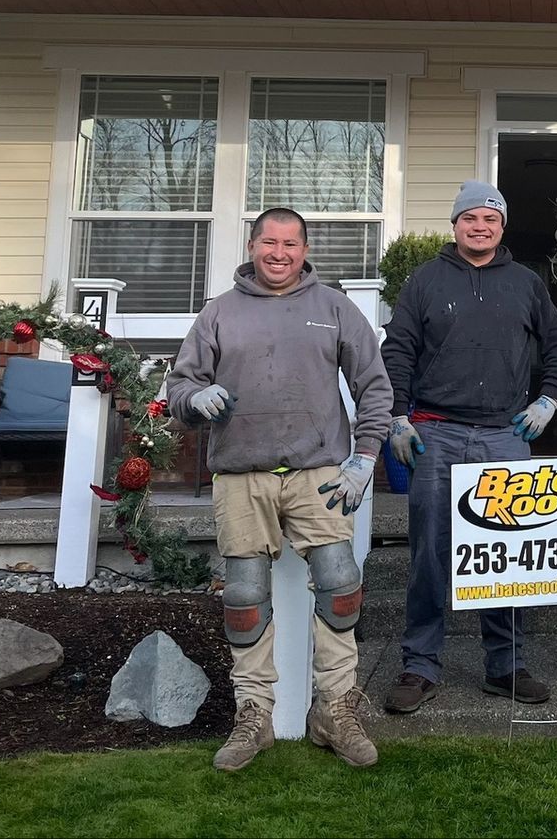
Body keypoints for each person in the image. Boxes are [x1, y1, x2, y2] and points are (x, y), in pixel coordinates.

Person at [167, 206, 393, 773]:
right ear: (252, 245)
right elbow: (179, 384)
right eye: (270, 242)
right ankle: (254, 715)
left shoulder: (334, 308)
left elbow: (374, 386)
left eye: (291, 244)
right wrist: (194, 400)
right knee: (244, 597)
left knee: (341, 584)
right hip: (241, 476)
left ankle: (334, 710)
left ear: (305, 249)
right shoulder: (219, 313)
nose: (279, 253)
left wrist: (364, 459)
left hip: (318, 474)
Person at [378, 180, 557, 712]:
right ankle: (419, 664)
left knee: (509, 556)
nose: (479, 226)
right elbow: (397, 351)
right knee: (431, 555)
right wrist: (398, 418)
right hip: (436, 433)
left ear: (501, 226)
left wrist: (548, 401)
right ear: (455, 224)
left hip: (506, 435)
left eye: (489, 218)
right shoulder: (425, 280)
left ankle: (505, 665)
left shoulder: (527, 284)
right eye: (470, 218)